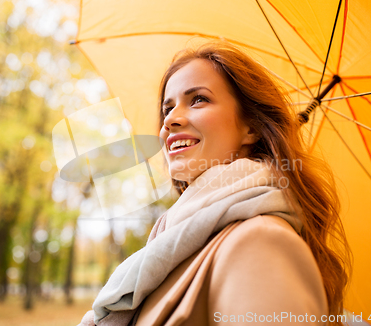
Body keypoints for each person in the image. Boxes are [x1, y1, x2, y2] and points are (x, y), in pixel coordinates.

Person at [78, 40, 352, 326]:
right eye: (167, 108)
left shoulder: (261, 243)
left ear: (251, 128)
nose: (170, 120)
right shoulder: (171, 242)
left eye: (198, 99)